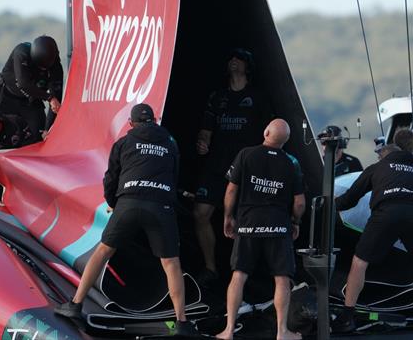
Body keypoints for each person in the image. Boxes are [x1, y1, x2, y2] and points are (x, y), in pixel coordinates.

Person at [54, 104, 197, 337]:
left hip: (128, 203)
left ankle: (75, 304)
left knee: (102, 252)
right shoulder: (170, 142)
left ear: (131, 123)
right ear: (155, 120)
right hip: (160, 205)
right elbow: (174, 175)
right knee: (171, 263)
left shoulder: (124, 142)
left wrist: (113, 203)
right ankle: (182, 322)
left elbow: (110, 178)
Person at [332, 144, 413, 332]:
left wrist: (330, 204)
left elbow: (350, 199)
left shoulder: (377, 167)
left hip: (386, 213)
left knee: (360, 261)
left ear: (383, 156)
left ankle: (347, 318)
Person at [217, 119, 305, 340]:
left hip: (248, 224)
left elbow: (231, 190)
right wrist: (295, 222)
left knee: (239, 275)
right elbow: (300, 202)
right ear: (286, 141)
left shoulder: (246, 154)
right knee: (282, 279)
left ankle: (228, 330)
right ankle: (282, 332)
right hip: (279, 226)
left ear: (266, 132)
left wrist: (228, 216)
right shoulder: (291, 162)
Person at [193, 48, 273, 283]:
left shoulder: (258, 97)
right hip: (216, 164)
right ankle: (210, 269)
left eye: (239, 59)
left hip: (245, 167)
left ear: (248, 67)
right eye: (231, 58)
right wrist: (203, 143)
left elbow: (270, 134)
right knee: (200, 213)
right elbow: (206, 130)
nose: (233, 62)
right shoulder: (217, 96)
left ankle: (243, 272)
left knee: (245, 221)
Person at [0, 35, 63, 137]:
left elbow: (56, 101)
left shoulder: (56, 66)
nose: (42, 70)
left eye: (45, 68)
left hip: (31, 100)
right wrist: (49, 98)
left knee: (39, 135)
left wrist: (47, 129)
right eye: (39, 67)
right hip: (7, 95)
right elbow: (24, 84)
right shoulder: (21, 53)